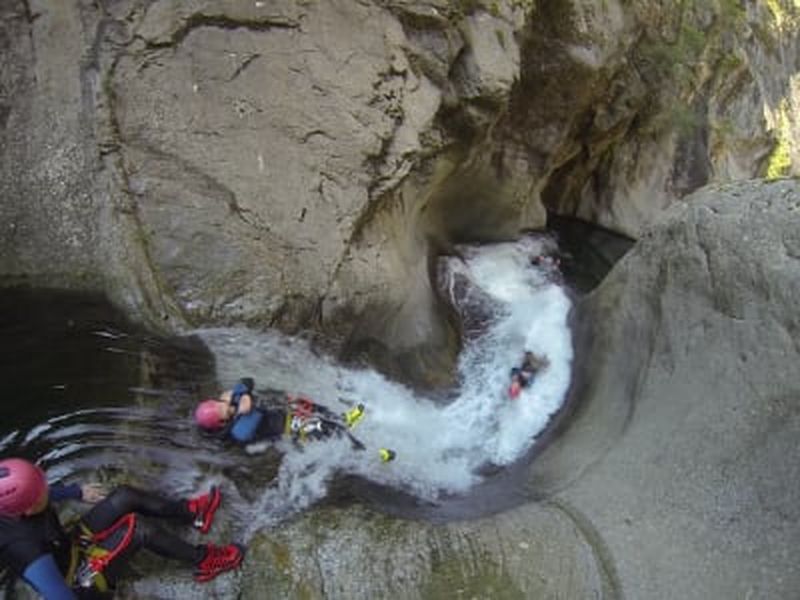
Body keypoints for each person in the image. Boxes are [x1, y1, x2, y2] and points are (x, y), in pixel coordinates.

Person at [0, 457, 245, 599]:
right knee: (139, 528)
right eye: (41, 490)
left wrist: (76, 492)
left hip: (69, 547)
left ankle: (192, 513)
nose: (47, 488)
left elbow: (37, 491)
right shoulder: (27, 550)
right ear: (27, 508)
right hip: (78, 583)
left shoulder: (12, 500)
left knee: (125, 496)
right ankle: (205, 560)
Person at [194, 378, 395, 461]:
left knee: (305, 402)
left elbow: (246, 381)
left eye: (222, 403)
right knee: (325, 430)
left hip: (281, 411)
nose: (227, 406)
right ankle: (369, 455)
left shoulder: (228, 404)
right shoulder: (238, 432)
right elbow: (253, 414)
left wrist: (242, 394)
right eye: (224, 411)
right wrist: (243, 399)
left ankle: (342, 419)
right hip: (288, 429)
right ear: (222, 423)